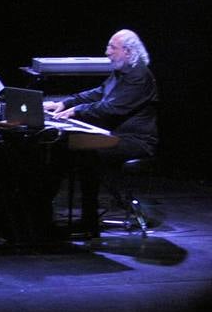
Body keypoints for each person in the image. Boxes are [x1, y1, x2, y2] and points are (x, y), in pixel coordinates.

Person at [43, 28, 158, 230]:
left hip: (135, 141)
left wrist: (76, 111)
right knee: (61, 148)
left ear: (128, 51)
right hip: (114, 136)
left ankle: (88, 221)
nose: (107, 52)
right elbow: (98, 93)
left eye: (112, 47)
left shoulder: (139, 76)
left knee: (87, 153)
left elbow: (111, 108)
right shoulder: (121, 72)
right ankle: (41, 211)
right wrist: (66, 102)